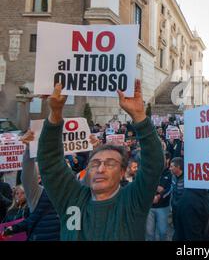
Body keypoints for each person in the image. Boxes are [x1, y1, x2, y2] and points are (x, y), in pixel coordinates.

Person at [36, 80, 164, 240]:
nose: (100, 169)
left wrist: (139, 116)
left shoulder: (133, 201)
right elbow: (50, 163)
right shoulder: (72, 199)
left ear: (122, 172)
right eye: (94, 164)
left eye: (110, 164)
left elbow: (154, 163)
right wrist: (55, 113)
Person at [1, 130, 60, 241]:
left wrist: (96, 150)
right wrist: (29, 149)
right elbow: (27, 175)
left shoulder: (73, 193)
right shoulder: (39, 194)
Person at [146, 152, 172, 241]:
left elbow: (169, 189)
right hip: (149, 206)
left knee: (162, 232)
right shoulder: (149, 172)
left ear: (167, 160)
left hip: (163, 207)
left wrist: (159, 196)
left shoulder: (170, 173)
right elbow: (144, 185)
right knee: (149, 234)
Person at [169, 157, 184, 233]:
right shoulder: (173, 176)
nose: (169, 168)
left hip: (183, 210)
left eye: (171, 166)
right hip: (174, 208)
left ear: (178, 167)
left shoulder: (186, 179)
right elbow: (171, 190)